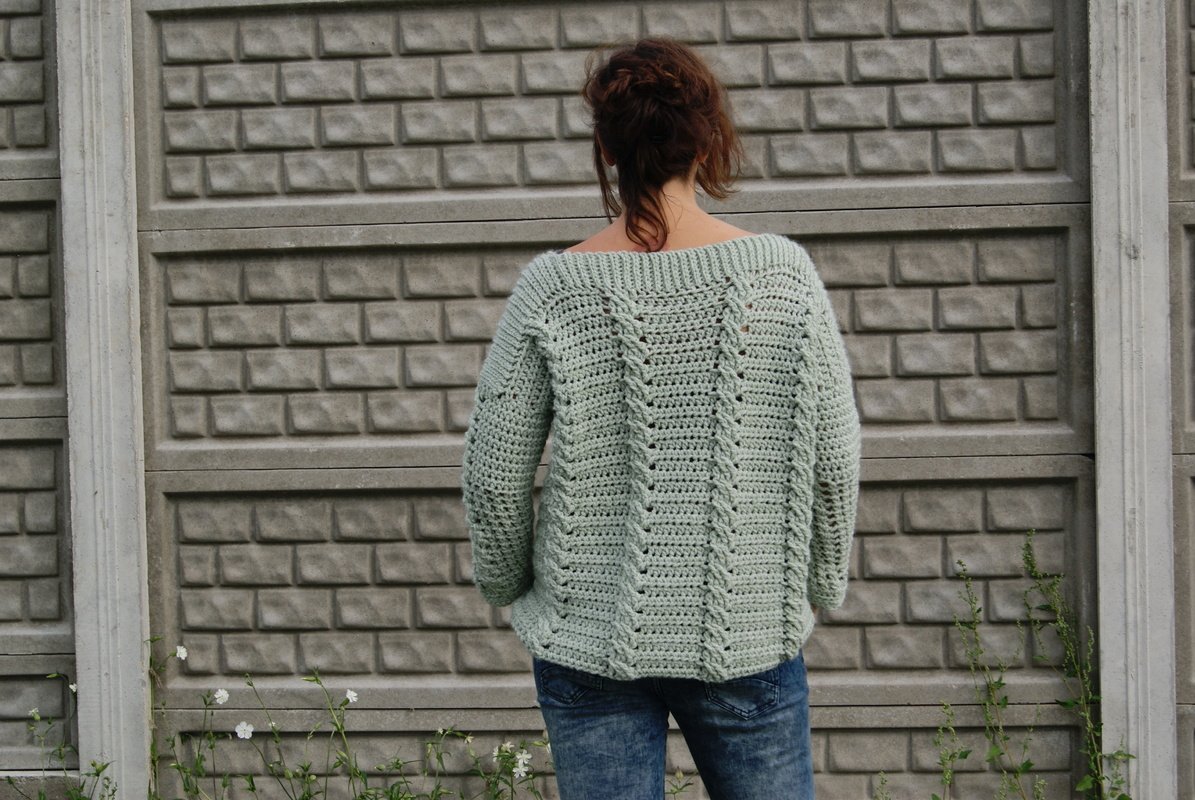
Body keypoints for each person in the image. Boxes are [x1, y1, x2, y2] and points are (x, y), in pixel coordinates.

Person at [460, 36, 862, 800]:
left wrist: (508, 583)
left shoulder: (553, 288)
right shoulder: (781, 276)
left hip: (586, 637)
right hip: (745, 629)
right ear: (706, 141)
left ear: (607, 149)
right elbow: (833, 457)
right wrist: (819, 580)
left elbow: (493, 472)